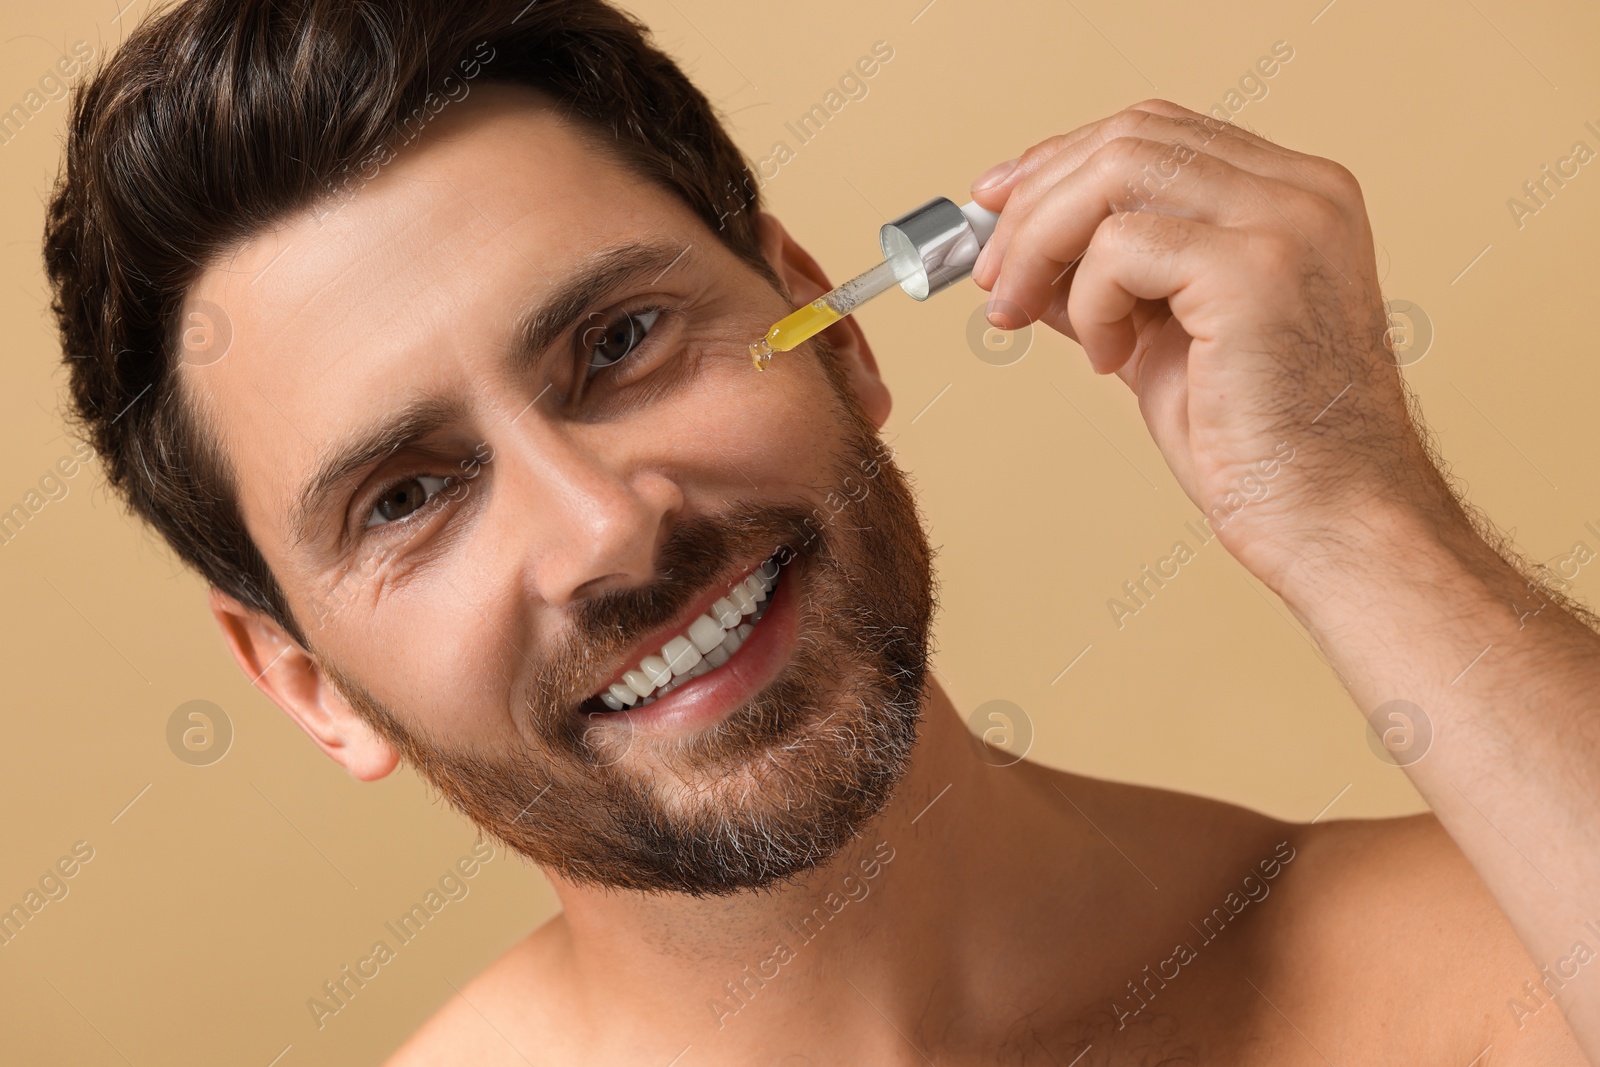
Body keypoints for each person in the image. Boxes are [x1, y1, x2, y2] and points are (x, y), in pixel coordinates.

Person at [43, 0, 1599, 1063]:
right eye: (406, 496)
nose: (602, 530)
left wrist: (1354, 516)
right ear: (303, 681)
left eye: (619, 343)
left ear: (831, 327)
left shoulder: (1502, 960)